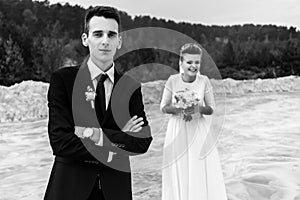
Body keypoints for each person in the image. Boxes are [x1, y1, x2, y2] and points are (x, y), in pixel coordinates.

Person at [44, 6, 152, 200]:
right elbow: (60, 142)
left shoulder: (131, 87)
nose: (105, 41)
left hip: (115, 189)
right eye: (98, 34)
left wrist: (93, 134)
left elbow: (142, 142)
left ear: (119, 41)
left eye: (111, 35)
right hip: (70, 188)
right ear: (86, 39)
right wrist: (119, 136)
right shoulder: (63, 80)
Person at [160, 43, 227, 200]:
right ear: (181, 62)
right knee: (180, 166)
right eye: (189, 62)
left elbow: (211, 108)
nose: (193, 66)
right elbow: (163, 107)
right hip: (177, 129)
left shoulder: (204, 81)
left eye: (197, 62)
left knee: (197, 166)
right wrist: (179, 108)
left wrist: (198, 108)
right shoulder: (172, 81)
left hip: (198, 130)